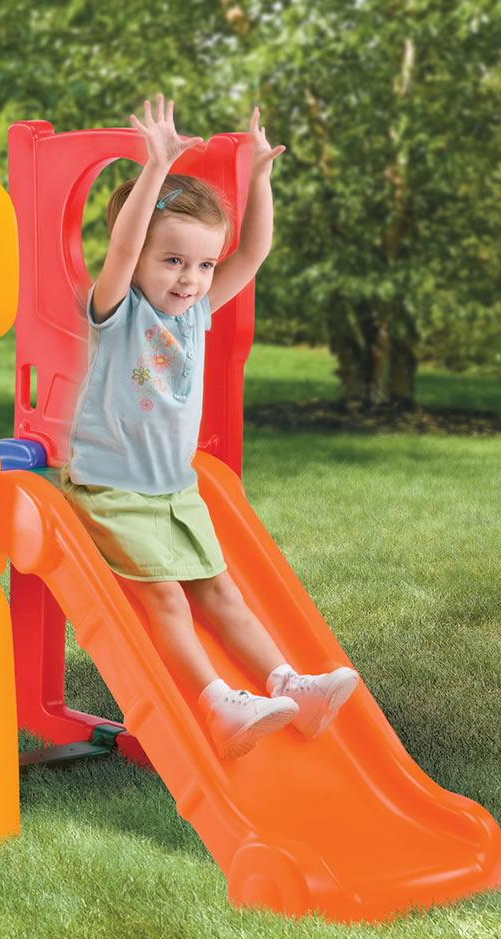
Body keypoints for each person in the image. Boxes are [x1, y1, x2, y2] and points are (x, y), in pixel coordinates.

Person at [62, 95, 358, 758]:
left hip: (174, 489)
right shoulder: (117, 310)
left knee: (221, 591)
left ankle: (290, 687)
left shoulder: (194, 313)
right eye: (172, 262)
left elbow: (251, 254)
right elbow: (125, 242)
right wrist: (157, 166)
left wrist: (257, 181)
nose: (191, 279)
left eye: (200, 265)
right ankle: (215, 702)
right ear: (137, 258)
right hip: (114, 489)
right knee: (166, 598)